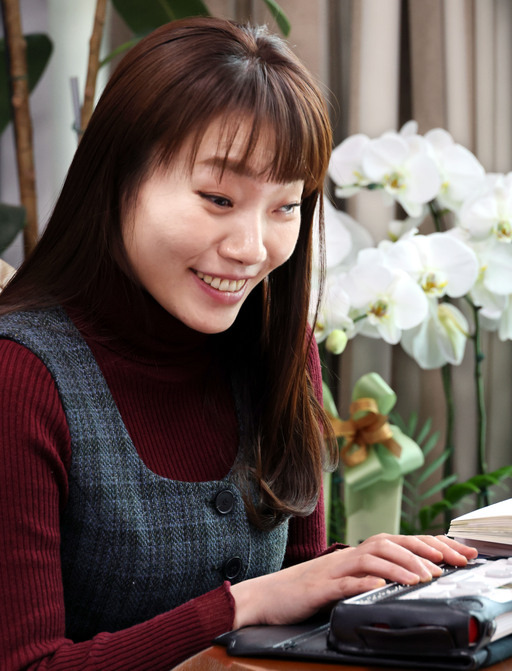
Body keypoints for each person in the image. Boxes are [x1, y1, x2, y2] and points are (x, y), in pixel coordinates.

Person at [0, 16, 477, 671]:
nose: (254, 249)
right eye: (218, 198)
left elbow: (301, 580)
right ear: (116, 181)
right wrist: (238, 604)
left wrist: (374, 577)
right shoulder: (21, 375)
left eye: (285, 206)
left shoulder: (279, 346)